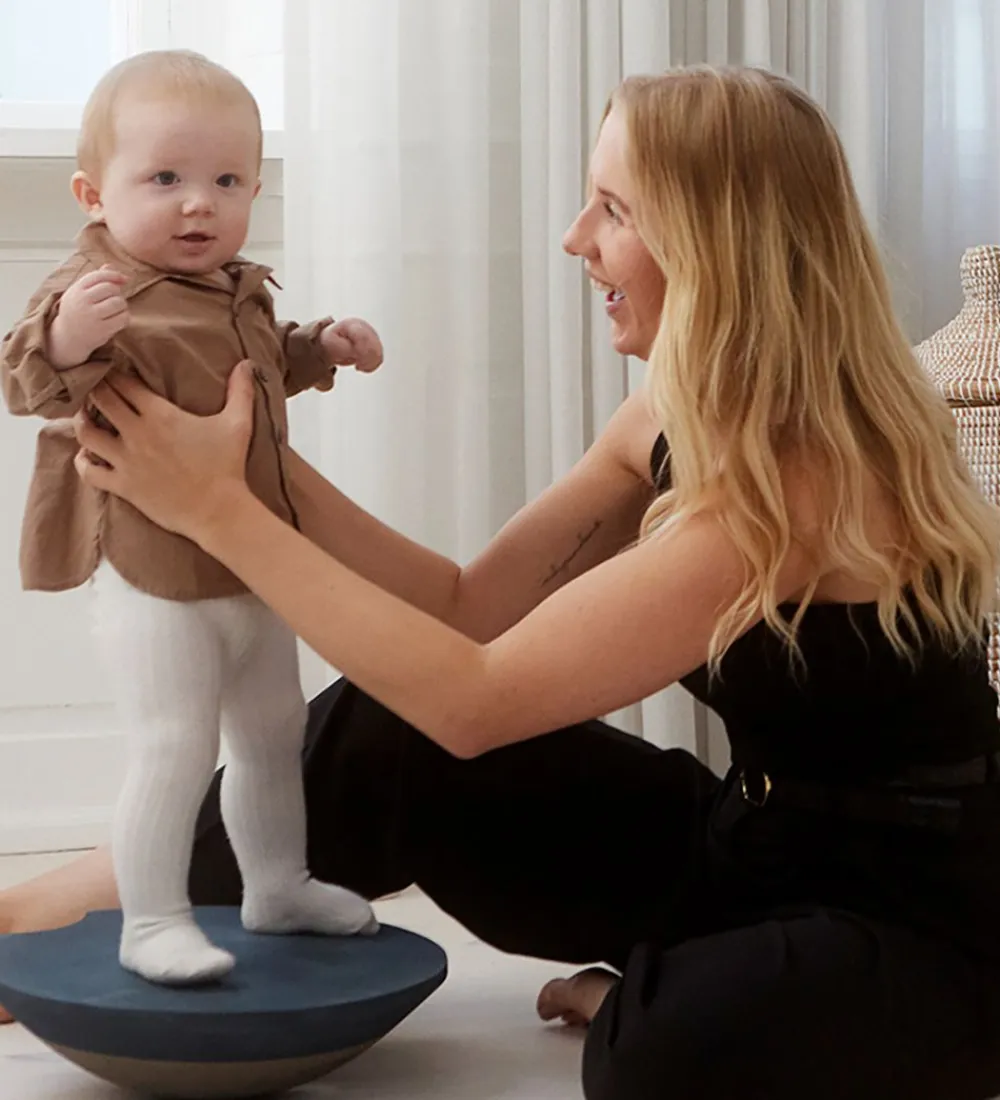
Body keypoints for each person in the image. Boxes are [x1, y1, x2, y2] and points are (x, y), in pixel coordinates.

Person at [3, 64, 1000, 1099]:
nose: (575, 238)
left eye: (613, 210)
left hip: (916, 910)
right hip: (752, 841)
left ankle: (701, 994)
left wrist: (218, 511)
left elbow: (475, 702)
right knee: (385, 732)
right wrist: (249, 459)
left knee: (652, 1056)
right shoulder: (668, 415)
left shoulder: (800, 477)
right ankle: (33, 919)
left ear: (716, 242)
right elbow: (467, 608)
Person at [0, 50, 384, 986]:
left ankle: (277, 885)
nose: (198, 205)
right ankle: (152, 921)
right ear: (94, 194)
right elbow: (26, 378)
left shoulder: (233, 285)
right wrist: (67, 337)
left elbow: (260, 362)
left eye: (226, 182)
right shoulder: (98, 289)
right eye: (165, 179)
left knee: (272, 730)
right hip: (155, 570)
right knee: (174, 742)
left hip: (253, 558)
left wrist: (321, 348)